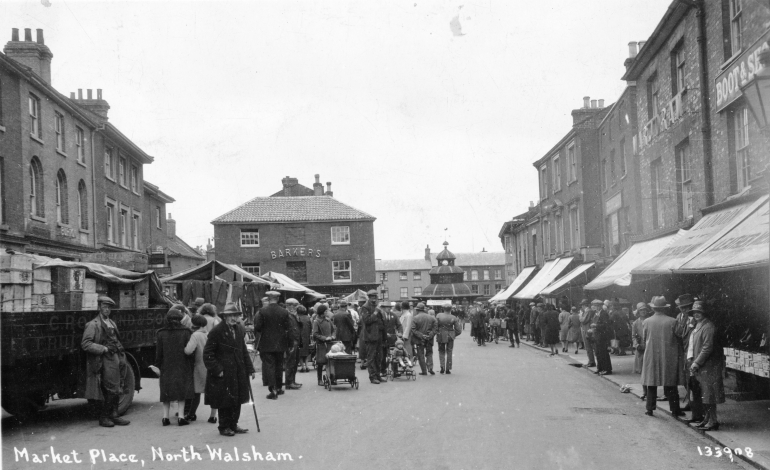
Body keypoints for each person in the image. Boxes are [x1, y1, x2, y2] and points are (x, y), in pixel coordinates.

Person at [203, 302, 256, 436]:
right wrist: (217, 369)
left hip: (238, 370)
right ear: (224, 317)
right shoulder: (217, 331)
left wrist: (250, 368)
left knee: (237, 398)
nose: (233, 318)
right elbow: (208, 354)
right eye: (230, 315)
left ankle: (234, 424)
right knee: (225, 400)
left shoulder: (239, 329)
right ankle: (224, 426)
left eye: (235, 315)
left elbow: (243, 350)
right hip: (224, 372)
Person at [81, 296, 131, 428]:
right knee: (110, 388)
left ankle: (114, 415)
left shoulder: (112, 323)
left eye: (109, 307)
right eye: (104, 307)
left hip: (116, 357)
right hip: (104, 359)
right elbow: (85, 344)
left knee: (118, 385)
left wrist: (121, 353)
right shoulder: (93, 325)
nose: (107, 309)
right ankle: (104, 417)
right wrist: (102, 349)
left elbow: (116, 339)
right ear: (99, 308)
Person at [641, 296, 685, 417]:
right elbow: (680, 335)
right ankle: (675, 410)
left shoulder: (646, 321)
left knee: (651, 382)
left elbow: (644, 339)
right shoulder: (672, 321)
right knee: (670, 382)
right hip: (668, 355)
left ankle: (649, 408)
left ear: (654, 308)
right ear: (665, 308)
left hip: (652, 354)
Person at [687, 301, 724, 430]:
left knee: (709, 395)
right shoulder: (698, 326)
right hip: (702, 366)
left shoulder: (708, 327)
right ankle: (707, 418)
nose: (697, 314)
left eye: (699, 312)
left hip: (709, 366)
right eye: (695, 312)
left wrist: (696, 362)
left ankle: (713, 420)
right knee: (704, 394)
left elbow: (707, 348)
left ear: (704, 313)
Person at [254, 291, 292, 399]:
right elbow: (288, 327)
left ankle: (273, 390)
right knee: (279, 366)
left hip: (266, 343)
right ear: (278, 299)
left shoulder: (262, 311)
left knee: (269, 366)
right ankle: (279, 388)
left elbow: (258, 327)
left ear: (269, 299)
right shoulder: (284, 311)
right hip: (280, 343)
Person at [183, 314, 208, 422]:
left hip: (198, 366)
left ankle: (191, 414)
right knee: (211, 391)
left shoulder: (195, 335)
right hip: (208, 365)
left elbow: (188, 350)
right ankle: (213, 416)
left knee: (196, 392)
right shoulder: (208, 334)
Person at [361, 290, 385, 384]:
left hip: (378, 335)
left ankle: (378, 375)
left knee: (379, 357)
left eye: (375, 297)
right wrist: (376, 312)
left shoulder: (376, 306)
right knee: (371, 357)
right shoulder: (365, 307)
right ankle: (372, 376)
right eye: (372, 297)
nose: (374, 299)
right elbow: (367, 320)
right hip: (370, 336)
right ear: (369, 297)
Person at [312, 304, 336, 385]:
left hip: (330, 344)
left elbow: (333, 330)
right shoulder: (316, 321)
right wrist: (324, 338)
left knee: (330, 362)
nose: (327, 312)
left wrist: (333, 336)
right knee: (320, 362)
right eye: (326, 311)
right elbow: (315, 334)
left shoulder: (328, 320)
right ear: (322, 312)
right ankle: (319, 380)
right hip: (321, 344)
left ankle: (331, 378)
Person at [411, 303, 438, 375]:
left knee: (421, 355)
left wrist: (422, 336)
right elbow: (435, 329)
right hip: (429, 339)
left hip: (419, 339)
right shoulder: (432, 318)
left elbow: (413, 330)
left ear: (417, 310)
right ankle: (430, 368)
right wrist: (430, 335)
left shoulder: (415, 318)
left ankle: (424, 371)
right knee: (429, 353)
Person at [436, 305, 462, 374]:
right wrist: (453, 334)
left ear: (443, 309)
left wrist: (437, 332)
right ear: (450, 309)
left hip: (441, 335)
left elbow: (435, 326)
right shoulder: (453, 317)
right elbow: (459, 330)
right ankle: (448, 368)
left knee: (441, 351)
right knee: (449, 352)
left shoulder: (438, 315)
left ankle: (442, 367)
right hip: (450, 336)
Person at [283, 298, 302, 390]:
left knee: (294, 362)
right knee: (290, 362)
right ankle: (289, 382)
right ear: (290, 306)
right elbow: (288, 330)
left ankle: (292, 381)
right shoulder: (287, 315)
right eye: (295, 305)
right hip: (291, 342)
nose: (297, 307)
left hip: (296, 340)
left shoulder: (294, 315)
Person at [380, 301, 403, 376]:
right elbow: (378, 327)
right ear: (383, 308)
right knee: (383, 356)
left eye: (390, 307)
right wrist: (384, 333)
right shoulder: (380, 316)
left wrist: (400, 332)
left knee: (394, 355)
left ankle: (395, 371)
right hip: (383, 339)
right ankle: (383, 371)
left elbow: (399, 325)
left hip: (392, 339)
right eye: (387, 307)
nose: (389, 309)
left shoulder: (394, 315)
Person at [592, 301, 613, 375]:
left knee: (603, 352)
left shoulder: (603, 314)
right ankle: (600, 368)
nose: (596, 307)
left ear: (600, 306)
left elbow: (606, 325)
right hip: (597, 335)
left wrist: (596, 326)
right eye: (595, 305)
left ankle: (607, 369)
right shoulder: (597, 313)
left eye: (597, 305)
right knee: (598, 352)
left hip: (602, 336)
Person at [631, 303, 649, 376]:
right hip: (640, 346)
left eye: (644, 310)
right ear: (638, 312)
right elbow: (633, 336)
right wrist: (636, 344)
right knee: (641, 366)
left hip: (649, 345)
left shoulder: (650, 321)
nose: (643, 311)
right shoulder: (635, 323)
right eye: (641, 310)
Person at [580, 299, 597, 368]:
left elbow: (583, 320)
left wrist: (580, 315)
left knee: (588, 346)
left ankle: (591, 361)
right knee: (589, 346)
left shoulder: (587, 311)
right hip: (587, 330)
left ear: (584, 305)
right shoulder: (588, 311)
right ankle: (591, 361)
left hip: (587, 330)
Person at [297, 305, 313, 373]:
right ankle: (307, 366)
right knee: (306, 352)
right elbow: (310, 328)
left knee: (300, 353)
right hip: (306, 337)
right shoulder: (308, 318)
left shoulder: (297, 318)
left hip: (299, 337)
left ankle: (302, 367)